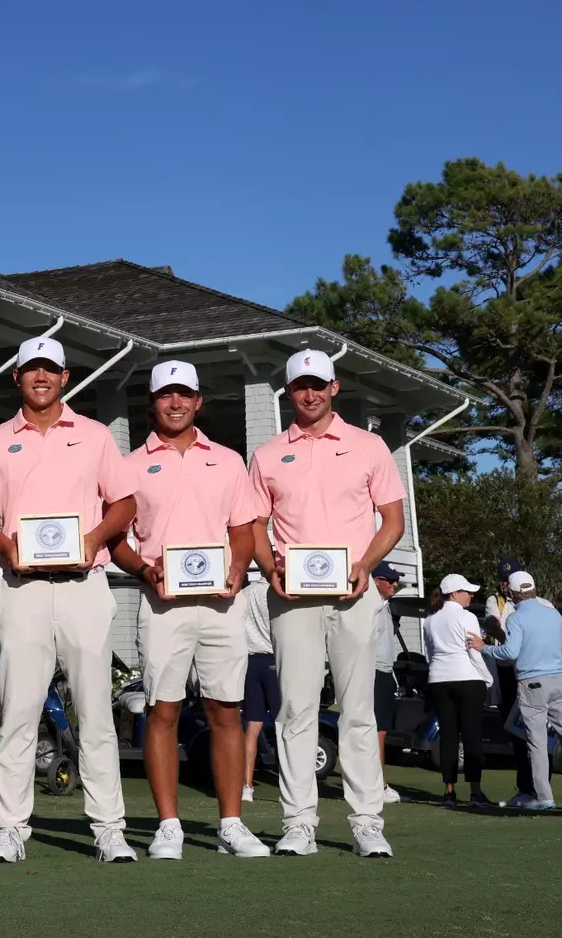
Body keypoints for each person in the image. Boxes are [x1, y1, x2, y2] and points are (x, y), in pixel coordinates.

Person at [0, 336, 139, 864]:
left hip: (84, 587)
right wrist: (7, 546)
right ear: (16, 377)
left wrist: (94, 538)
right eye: (31, 369)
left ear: (65, 377)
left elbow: (125, 503)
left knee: (95, 712)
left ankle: (109, 828)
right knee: (18, 712)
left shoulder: (94, 436)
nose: (40, 377)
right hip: (22, 589)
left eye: (50, 369)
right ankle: (10, 829)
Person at [109, 360, 270, 860]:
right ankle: (168, 826)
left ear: (199, 401)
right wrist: (145, 570)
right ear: (152, 403)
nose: (175, 403)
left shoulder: (228, 460)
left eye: (184, 394)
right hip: (162, 605)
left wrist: (237, 568)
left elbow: (242, 530)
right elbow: (117, 540)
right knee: (162, 710)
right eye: (166, 395)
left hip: (222, 605)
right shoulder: (130, 465)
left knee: (226, 710)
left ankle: (230, 825)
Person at [249, 349, 405, 859]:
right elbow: (254, 524)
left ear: (334, 387)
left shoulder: (369, 445)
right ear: (288, 391)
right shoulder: (268, 454)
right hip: (292, 598)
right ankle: (299, 823)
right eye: (300, 386)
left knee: (358, 709)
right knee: (295, 709)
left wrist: (366, 564)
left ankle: (366, 822)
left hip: (354, 594)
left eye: (318, 384)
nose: (310, 394)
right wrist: (270, 569)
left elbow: (393, 520)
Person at [482, 571, 562, 810]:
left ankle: (543, 796)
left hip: (532, 682)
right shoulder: (553, 613)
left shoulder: (516, 618)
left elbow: (509, 652)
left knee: (537, 741)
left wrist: (483, 649)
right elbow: (561, 644)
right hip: (558, 680)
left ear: (512, 593)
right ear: (533, 589)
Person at [422, 573, 493, 807]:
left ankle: (449, 792)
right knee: (472, 736)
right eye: (467, 591)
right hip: (467, 678)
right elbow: (474, 651)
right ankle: (475, 792)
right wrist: (488, 678)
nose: (471, 595)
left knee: (448, 737)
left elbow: (430, 654)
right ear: (454, 593)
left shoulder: (430, 619)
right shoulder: (467, 616)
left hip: (439, 680)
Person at [239, 576, 278, 804]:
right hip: (273, 660)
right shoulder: (275, 592)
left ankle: (247, 786)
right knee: (284, 725)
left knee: (252, 726)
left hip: (250, 662)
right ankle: (290, 785)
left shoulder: (244, 594)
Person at [371, 564, 404, 804]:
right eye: (390, 580)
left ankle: (375, 784)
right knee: (377, 730)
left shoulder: (386, 607)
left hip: (384, 672)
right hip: (372, 671)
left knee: (379, 730)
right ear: (376, 581)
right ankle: (378, 786)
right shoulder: (371, 606)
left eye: (396, 580)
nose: (394, 584)